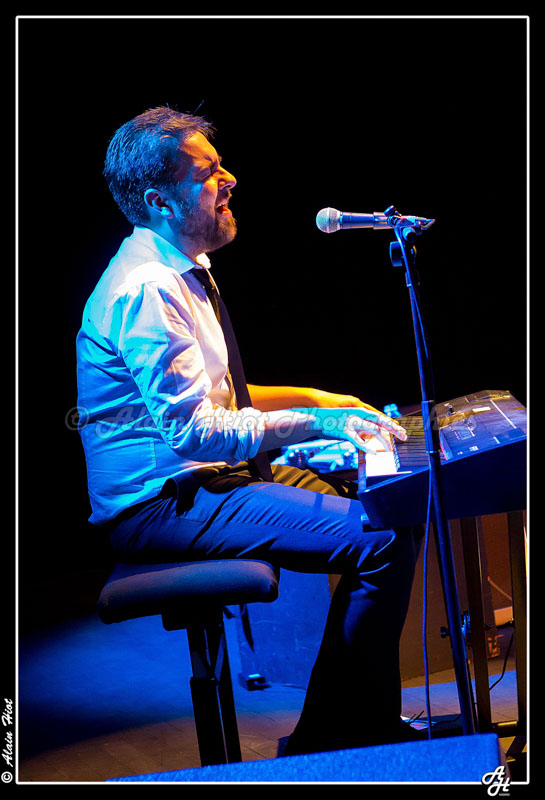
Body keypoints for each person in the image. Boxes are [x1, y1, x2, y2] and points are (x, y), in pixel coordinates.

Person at [76, 106, 423, 755]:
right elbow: (197, 434)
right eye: (207, 173)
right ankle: (338, 738)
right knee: (379, 541)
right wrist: (318, 423)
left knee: (385, 501)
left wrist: (328, 402)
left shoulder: (181, 267)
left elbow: (224, 395)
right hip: (163, 504)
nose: (229, 179)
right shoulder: (148, 289)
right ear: (159, 200)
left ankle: (347, 724)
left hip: (211, 479)